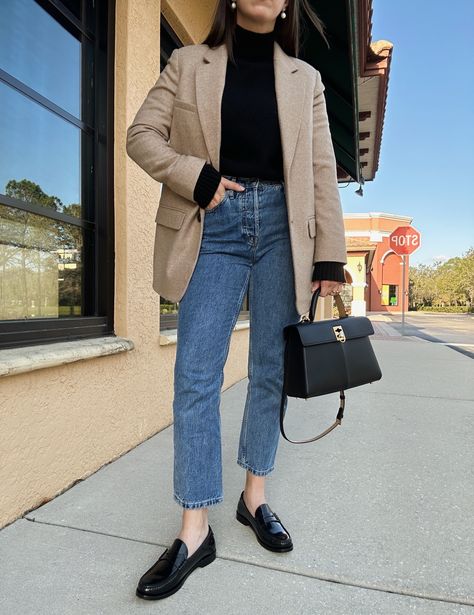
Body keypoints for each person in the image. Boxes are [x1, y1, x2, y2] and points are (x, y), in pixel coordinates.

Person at [126, 0, 347, 601]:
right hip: (211, 221)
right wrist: (194, 176)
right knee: (196, 371)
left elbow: (322, 170)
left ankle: (256, 497)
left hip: (284, 226)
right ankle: (194, 530)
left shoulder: (308, 80)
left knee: (270, 368)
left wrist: (331, 254)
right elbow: (140, 135)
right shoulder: (187, 61)